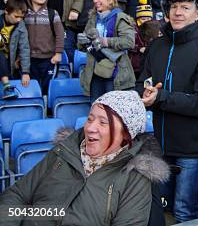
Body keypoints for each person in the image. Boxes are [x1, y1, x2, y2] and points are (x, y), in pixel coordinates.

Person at [0, 90, 170, 226]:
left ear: (126, 134)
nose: (90, 128)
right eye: (90, 119)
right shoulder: (64, 152)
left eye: (103, 122)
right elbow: (18, 195)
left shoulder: (134, 178)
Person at [139, 0, 198, 223]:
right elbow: (142, 83)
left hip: (192, 149)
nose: (178, 12)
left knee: (184, 211)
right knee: (161, 207)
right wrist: (143, 95)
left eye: (185, 7)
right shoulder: (157, 46)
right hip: (162, 146)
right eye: (174, 7)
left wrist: (161, 97)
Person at [77, 0, 136, 102]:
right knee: (96, 107)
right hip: (95, 73)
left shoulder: (120, 17)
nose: (95, 1)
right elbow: (84, 47)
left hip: (115, 74)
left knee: (113, 110)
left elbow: (129, 41)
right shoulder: (93, 18)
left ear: (110, 0)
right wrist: (82, 41)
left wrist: (105, 41)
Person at [24, 0, 64, 95]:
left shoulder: (52, 13)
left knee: (48, 88)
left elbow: (60, 35)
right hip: (30, 59)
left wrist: (58, 53)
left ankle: (48, 110)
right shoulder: (25, 14)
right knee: (33, 88)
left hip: (49, 59)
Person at [0, 0, 30, 99]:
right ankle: (7, 86)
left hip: (9, 64)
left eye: (21, 17)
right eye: (16, 16)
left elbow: (24, 48)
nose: (19, 20)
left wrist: (25, 72)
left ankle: (7, 87)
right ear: (6, 12)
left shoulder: (21, 26)